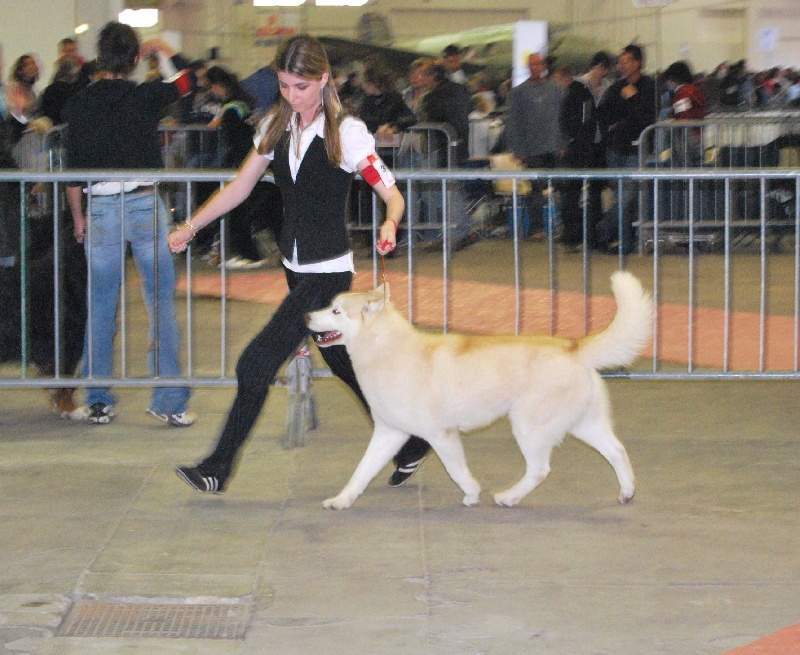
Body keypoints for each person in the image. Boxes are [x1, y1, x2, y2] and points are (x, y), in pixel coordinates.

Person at [170, 34, 430, 494]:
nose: (292, 96)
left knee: (255, 364)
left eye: (301, 87)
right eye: (285, 86)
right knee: (342, 359)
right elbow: (240, 186)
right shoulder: (274, 124)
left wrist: (391, 221)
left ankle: (217, 466)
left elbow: (390, 190)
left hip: (328, 275)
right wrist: (191, 226)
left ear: (323, 79)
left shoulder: (347, 131)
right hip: (295, 269)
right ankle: (411, 441)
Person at [62, 21, 196, 426]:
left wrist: (78, 217)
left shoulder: (78, 104)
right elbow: (184, 84)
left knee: (100, 305)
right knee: (159, 303)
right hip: (142, 203)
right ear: (136, 59)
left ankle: (99, 398)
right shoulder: (145, 95)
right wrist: (162, 51)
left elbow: (72, 172)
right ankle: (169, 400)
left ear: (99, 58)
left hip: (100, 205)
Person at [597, 44, 657, 253]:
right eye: (620, 62)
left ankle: (602, 230)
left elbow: (648, 119)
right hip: (615, 149)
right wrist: (614, 125)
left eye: (626, 61)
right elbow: (605, 115)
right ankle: (624, 242)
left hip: (635, 150)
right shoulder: (615, 88)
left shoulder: (649, 86)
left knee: (627, 196)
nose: (621, 66)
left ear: (637, 62)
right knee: (619, 197)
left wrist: (633, 98)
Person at [205, 64, 266, 269]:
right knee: (258, 210)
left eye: (212, 87)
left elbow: (233, 139)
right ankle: (250, 253)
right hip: (254, 159)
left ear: (219, 85)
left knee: (238, 210)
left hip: (241, 162)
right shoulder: (243, 104)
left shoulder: (231, 109)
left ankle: (249, 254)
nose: (212, 91)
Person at [504, 52, 564, 237]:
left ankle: (561, 225)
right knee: (535, 190)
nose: (534, 67)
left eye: (538, 64)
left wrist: (563, 143)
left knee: (562, 186)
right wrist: (518, 150)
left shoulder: (557, 89)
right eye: (531, 64)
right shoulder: (518, 92)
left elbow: (563, 118)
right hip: (531, 149)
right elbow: (513, 122)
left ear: (544, 66)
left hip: (555, 146)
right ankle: (537, 229)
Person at [553, 64, 598, 251]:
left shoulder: (572, 96)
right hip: (584, 150)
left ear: (565, 78)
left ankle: (572, 236)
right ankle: (585, 235)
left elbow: (571, 124)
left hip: (574, 152)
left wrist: (566, 144)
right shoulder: (584, 94)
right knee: (581, 196)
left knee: (569, 195)